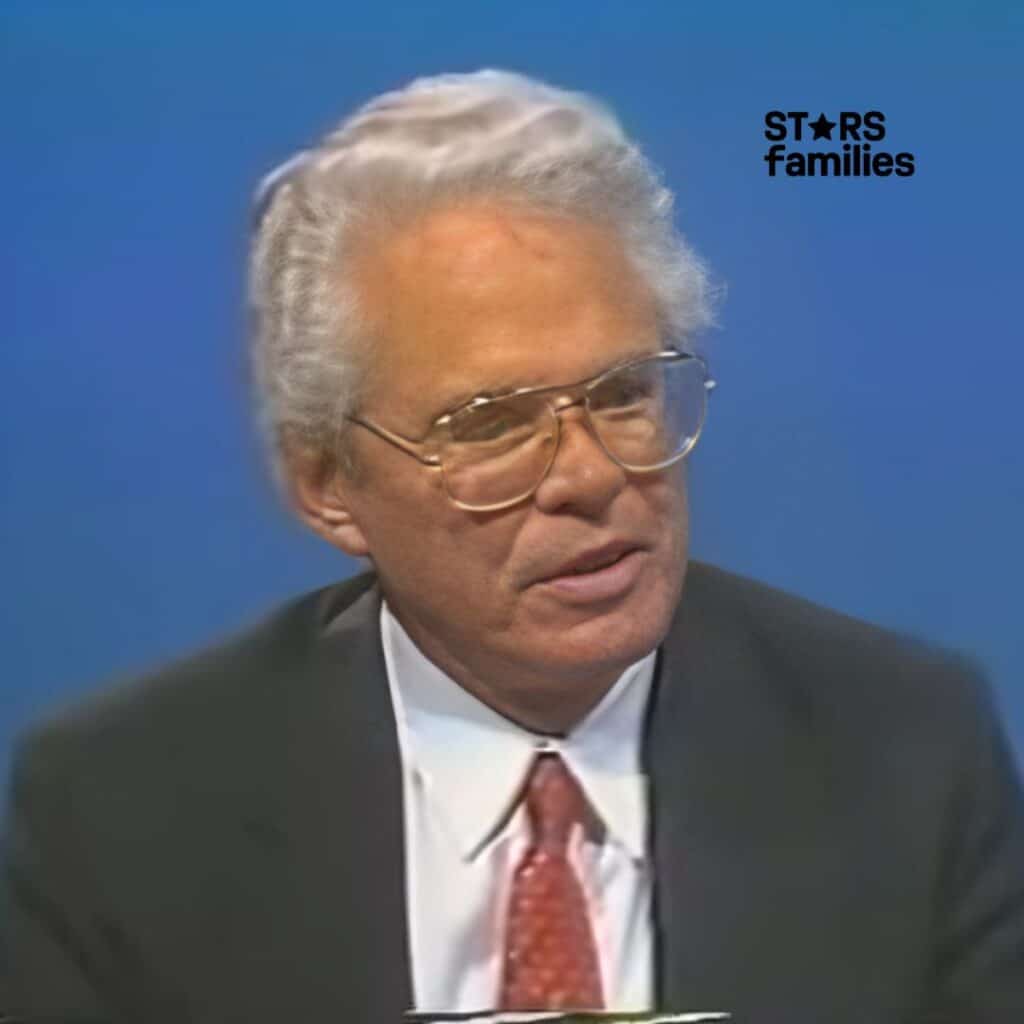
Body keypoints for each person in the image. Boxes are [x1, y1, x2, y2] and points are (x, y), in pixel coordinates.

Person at [2, 70, 1023, 1024]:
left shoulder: (907, 752)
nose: (586, 476)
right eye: (490, 422)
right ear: (326, 486)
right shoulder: (118, 809)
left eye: (622, 394)